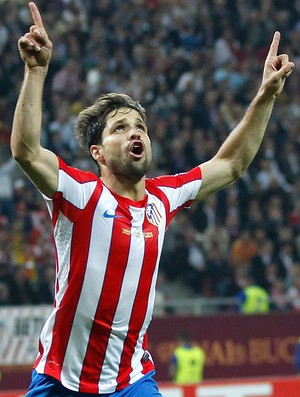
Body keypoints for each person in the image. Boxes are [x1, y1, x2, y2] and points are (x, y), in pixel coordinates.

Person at [11, 2, 294, 396]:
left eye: (140, 126)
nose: (135, 133)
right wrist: (36, 71)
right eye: (120, 127)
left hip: (131, 381)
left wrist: (266, 95)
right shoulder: (79, 193)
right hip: (61, 379)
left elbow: (230, 164)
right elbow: (25, 150)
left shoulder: (164, 197)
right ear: (98, 152)